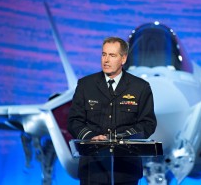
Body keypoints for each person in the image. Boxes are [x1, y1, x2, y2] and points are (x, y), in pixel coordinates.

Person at [67, 37, 157, 185]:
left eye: (112, 55)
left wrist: (121, 139)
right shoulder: (85, 85)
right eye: (104, 54)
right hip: (92, 168)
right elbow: (74, 120)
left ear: (123, 59)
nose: (106, 60)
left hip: (126, 170)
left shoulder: (140, 87)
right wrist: (91, 137)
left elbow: (148, 123)